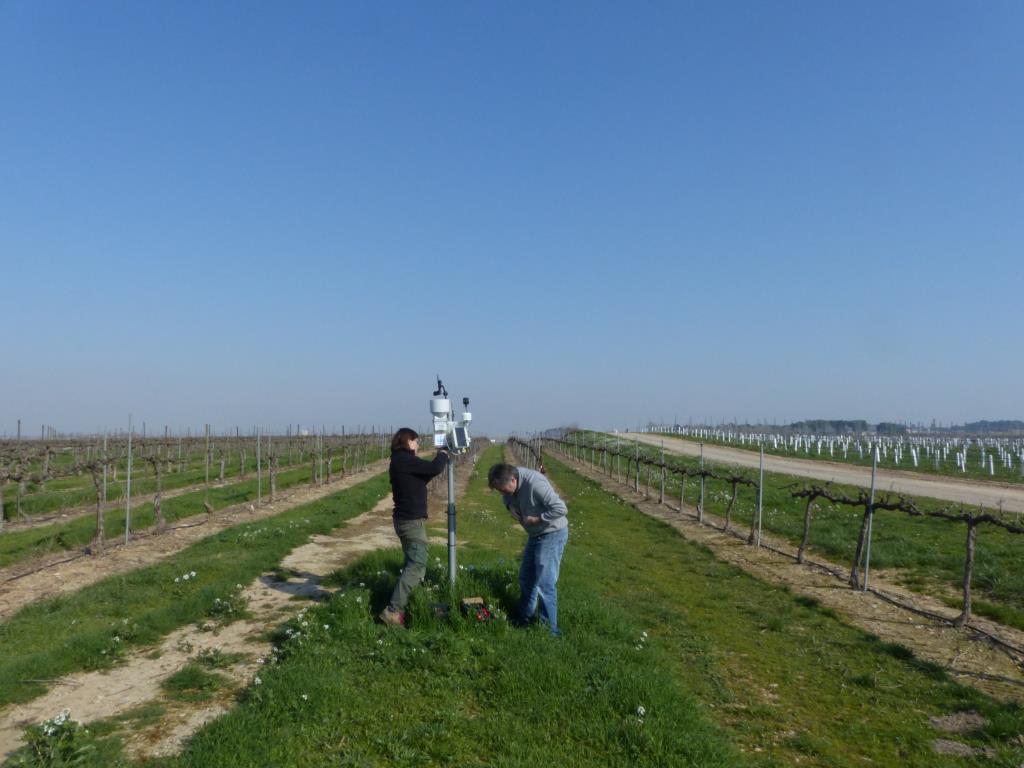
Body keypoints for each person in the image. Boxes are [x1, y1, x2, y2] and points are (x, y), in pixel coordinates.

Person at [488, 462, 568, 636]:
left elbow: (561, 509)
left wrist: (537, 519)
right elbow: (507, 499)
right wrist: (510, 508)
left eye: (503, 490)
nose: (502, 493)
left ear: (513, 480)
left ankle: (550, 630)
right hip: (535, 536)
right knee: (526, 578)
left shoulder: (535, 483)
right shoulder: (509, 485)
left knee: (545, 583)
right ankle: (524, 618)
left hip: (552, 533)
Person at [379, 428, 448, 627]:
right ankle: (393, 610)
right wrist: (443, 452)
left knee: (413, 562)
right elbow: (434, 468)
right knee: (416, 564)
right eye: (415, 441)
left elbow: (421, 477)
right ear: (407, 441)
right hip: (410, 522)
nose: (417, 445)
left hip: (405, 520)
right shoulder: (404, 460)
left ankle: (406, 602)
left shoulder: (399, 461)